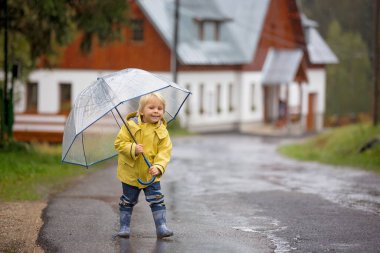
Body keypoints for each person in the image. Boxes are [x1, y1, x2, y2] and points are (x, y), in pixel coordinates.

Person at [114, 93, 173, 238]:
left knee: (157, 199)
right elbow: (119, 144)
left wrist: (158, 167)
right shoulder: (130, 126)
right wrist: (133, 148)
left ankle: (161, 226)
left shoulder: (162, 131)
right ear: (141, 111)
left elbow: (165, 152)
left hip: (151, 173)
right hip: (130, 173)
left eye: (160, 108)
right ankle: (124, 227)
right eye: (151, 107)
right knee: (127, 201)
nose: (156, 111)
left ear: (163, 112)